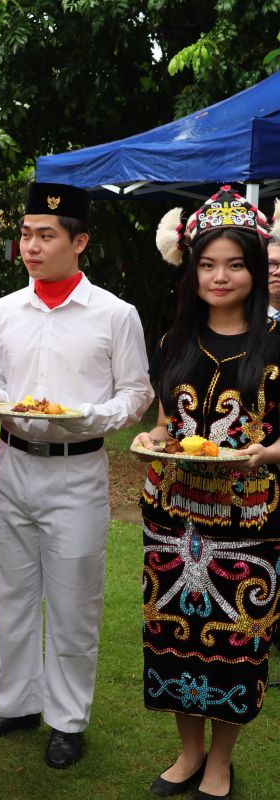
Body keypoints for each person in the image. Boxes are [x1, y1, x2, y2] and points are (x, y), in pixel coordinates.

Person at [0, 182, 153, 768]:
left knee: (75, 603)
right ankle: (15, 702)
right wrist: (2, 402)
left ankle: (68, 719)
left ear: (80, 242)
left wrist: (90, 416)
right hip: (10, 464)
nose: (31, 245)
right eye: (26, 233)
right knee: (11, 595)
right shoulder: (4, 310)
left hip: (78, 472)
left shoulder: (115, 314)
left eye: (46, 235)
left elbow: (136, 394)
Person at [133, 186, 280, 799]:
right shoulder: (173, 342)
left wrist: (266, 453)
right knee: (172, 635)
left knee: (236, 641)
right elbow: (169, 425)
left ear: (254, 268)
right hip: (171, 516)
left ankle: (221, 759)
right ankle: (189, 751)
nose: (220, 277)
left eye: (235, 264)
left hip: (247, 522)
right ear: (190, 269)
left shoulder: (277, 340)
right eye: (208, 264)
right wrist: (154, 436)